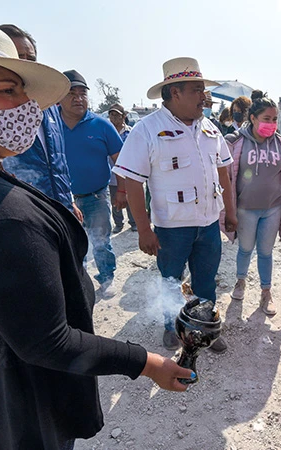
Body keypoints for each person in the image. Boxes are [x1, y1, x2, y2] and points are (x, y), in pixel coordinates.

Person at [0, 16, 192, 449]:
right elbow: (50, 341)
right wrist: (147, 362)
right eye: (7, 90)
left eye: (25, 91)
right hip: (32, 400)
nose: (27, 106)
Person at [114, 57, 237, 351]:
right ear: (175, 93)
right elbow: (133, 183)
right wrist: (144, 230)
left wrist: (229, 212)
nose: (204, 97)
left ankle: (205, 328)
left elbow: (223, 171)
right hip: (171, 228)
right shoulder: (146, 130)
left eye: (203, 90)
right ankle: (172, 326)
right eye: (197, 90)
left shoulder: (209, 128)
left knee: (206, 281)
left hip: (207, 224)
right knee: (170, 280)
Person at [0, 24, 83, 222]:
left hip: (61, 209)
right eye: (18, 57)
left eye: (31, 58)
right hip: (21, 216)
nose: (25, 64)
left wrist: (69, 200)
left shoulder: (50, 104)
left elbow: (59, 160)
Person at [223, 91, 281, 315]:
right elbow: (226, 178)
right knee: (245, 249)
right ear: (252, 118)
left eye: (275, 119)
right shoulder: (235, 142)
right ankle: (241, 282)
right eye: (267, 119)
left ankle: (266, 293)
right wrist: (229, 212)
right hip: (245, 210)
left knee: (265, 252)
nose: (272, 124)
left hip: (273, 208)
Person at [61, 70, 124, 297]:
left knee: (101, 240)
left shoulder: (101, 125)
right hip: (62, 200)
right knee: (71, 244)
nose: (78, 98)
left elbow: (122, 161)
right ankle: (79, 281)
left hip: (96, 196)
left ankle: (107, 278)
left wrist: (122, 191)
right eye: (71, 93)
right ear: (59, 96)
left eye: (82, 93)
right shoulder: (50, 125)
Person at [106, 103, 136, 232]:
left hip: (129, 173)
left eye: (116, 115)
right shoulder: (106, 132)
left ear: (124, 116)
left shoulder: (131, 132)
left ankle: (134, 222)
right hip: (113, 174)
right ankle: (118, 224)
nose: (113, 118)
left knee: (131, 198)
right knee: (115, 200)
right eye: (111, 115)